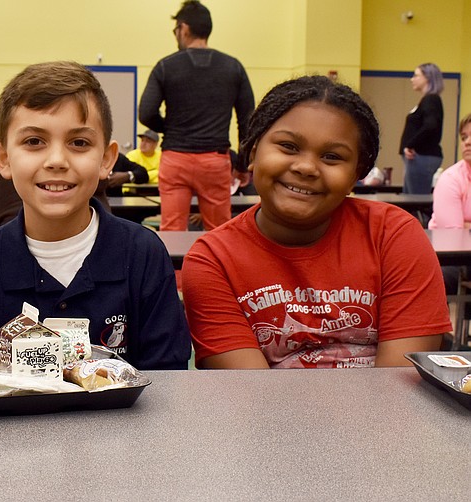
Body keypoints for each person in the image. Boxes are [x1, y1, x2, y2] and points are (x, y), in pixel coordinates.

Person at [0, 61, 191, 370]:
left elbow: (167, 386)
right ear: (3, 158)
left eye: (79, 143)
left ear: (107, 159)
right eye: (34, 142)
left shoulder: (143, 256)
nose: (56, 160)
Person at [182, 75, 450, 369]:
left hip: (385, 413)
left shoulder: (394, 236)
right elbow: (250, 396)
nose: (307, 167)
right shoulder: (213, 261)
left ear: (357, 173)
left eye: (332, 156)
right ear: (253, 149)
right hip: (266, 414)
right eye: (288, 146)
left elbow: (400, 386)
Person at [139, 1, 254, 231]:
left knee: (171, 230)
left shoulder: (165, 66)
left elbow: (146, 112)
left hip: (175, 159)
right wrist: (241, 164)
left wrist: (169, 128)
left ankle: (173, 269)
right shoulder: (234, 67)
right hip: (215, 160)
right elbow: (248, 121)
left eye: (176, 31)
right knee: (219, 231)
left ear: (184, 28)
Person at [430, 113, 471, 295]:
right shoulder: (450, 179)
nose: (467, 142)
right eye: (464, 137)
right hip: (451, 260)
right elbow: (455, 235)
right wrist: (464, 227)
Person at [399, 63, 444, 194]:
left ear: (428, 78)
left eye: (416, 75)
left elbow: (431, 125)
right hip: (419, 157)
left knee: (416, 201)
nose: (412, 79)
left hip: (421, 157)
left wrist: (410, 144)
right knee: (410, 199)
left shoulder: (431, 99)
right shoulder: (428, 100)